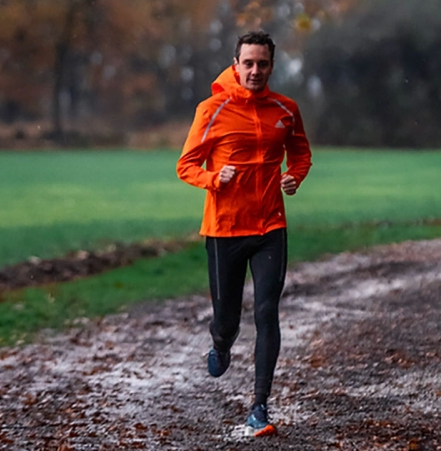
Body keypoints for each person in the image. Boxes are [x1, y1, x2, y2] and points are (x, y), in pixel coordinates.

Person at [176, 30, 312, 437]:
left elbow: (301, 152)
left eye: (263, 64)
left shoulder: (285, 109)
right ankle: (220, 343)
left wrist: (294, 176)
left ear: (272, 66)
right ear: (236, 65)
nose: (255, 71)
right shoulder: (212, 109)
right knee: (228, 320)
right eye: (248, 63)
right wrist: (215, 178)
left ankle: (259, 407)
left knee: (268, 311)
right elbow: (186, 165)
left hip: (270, 225)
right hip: (225, 229)